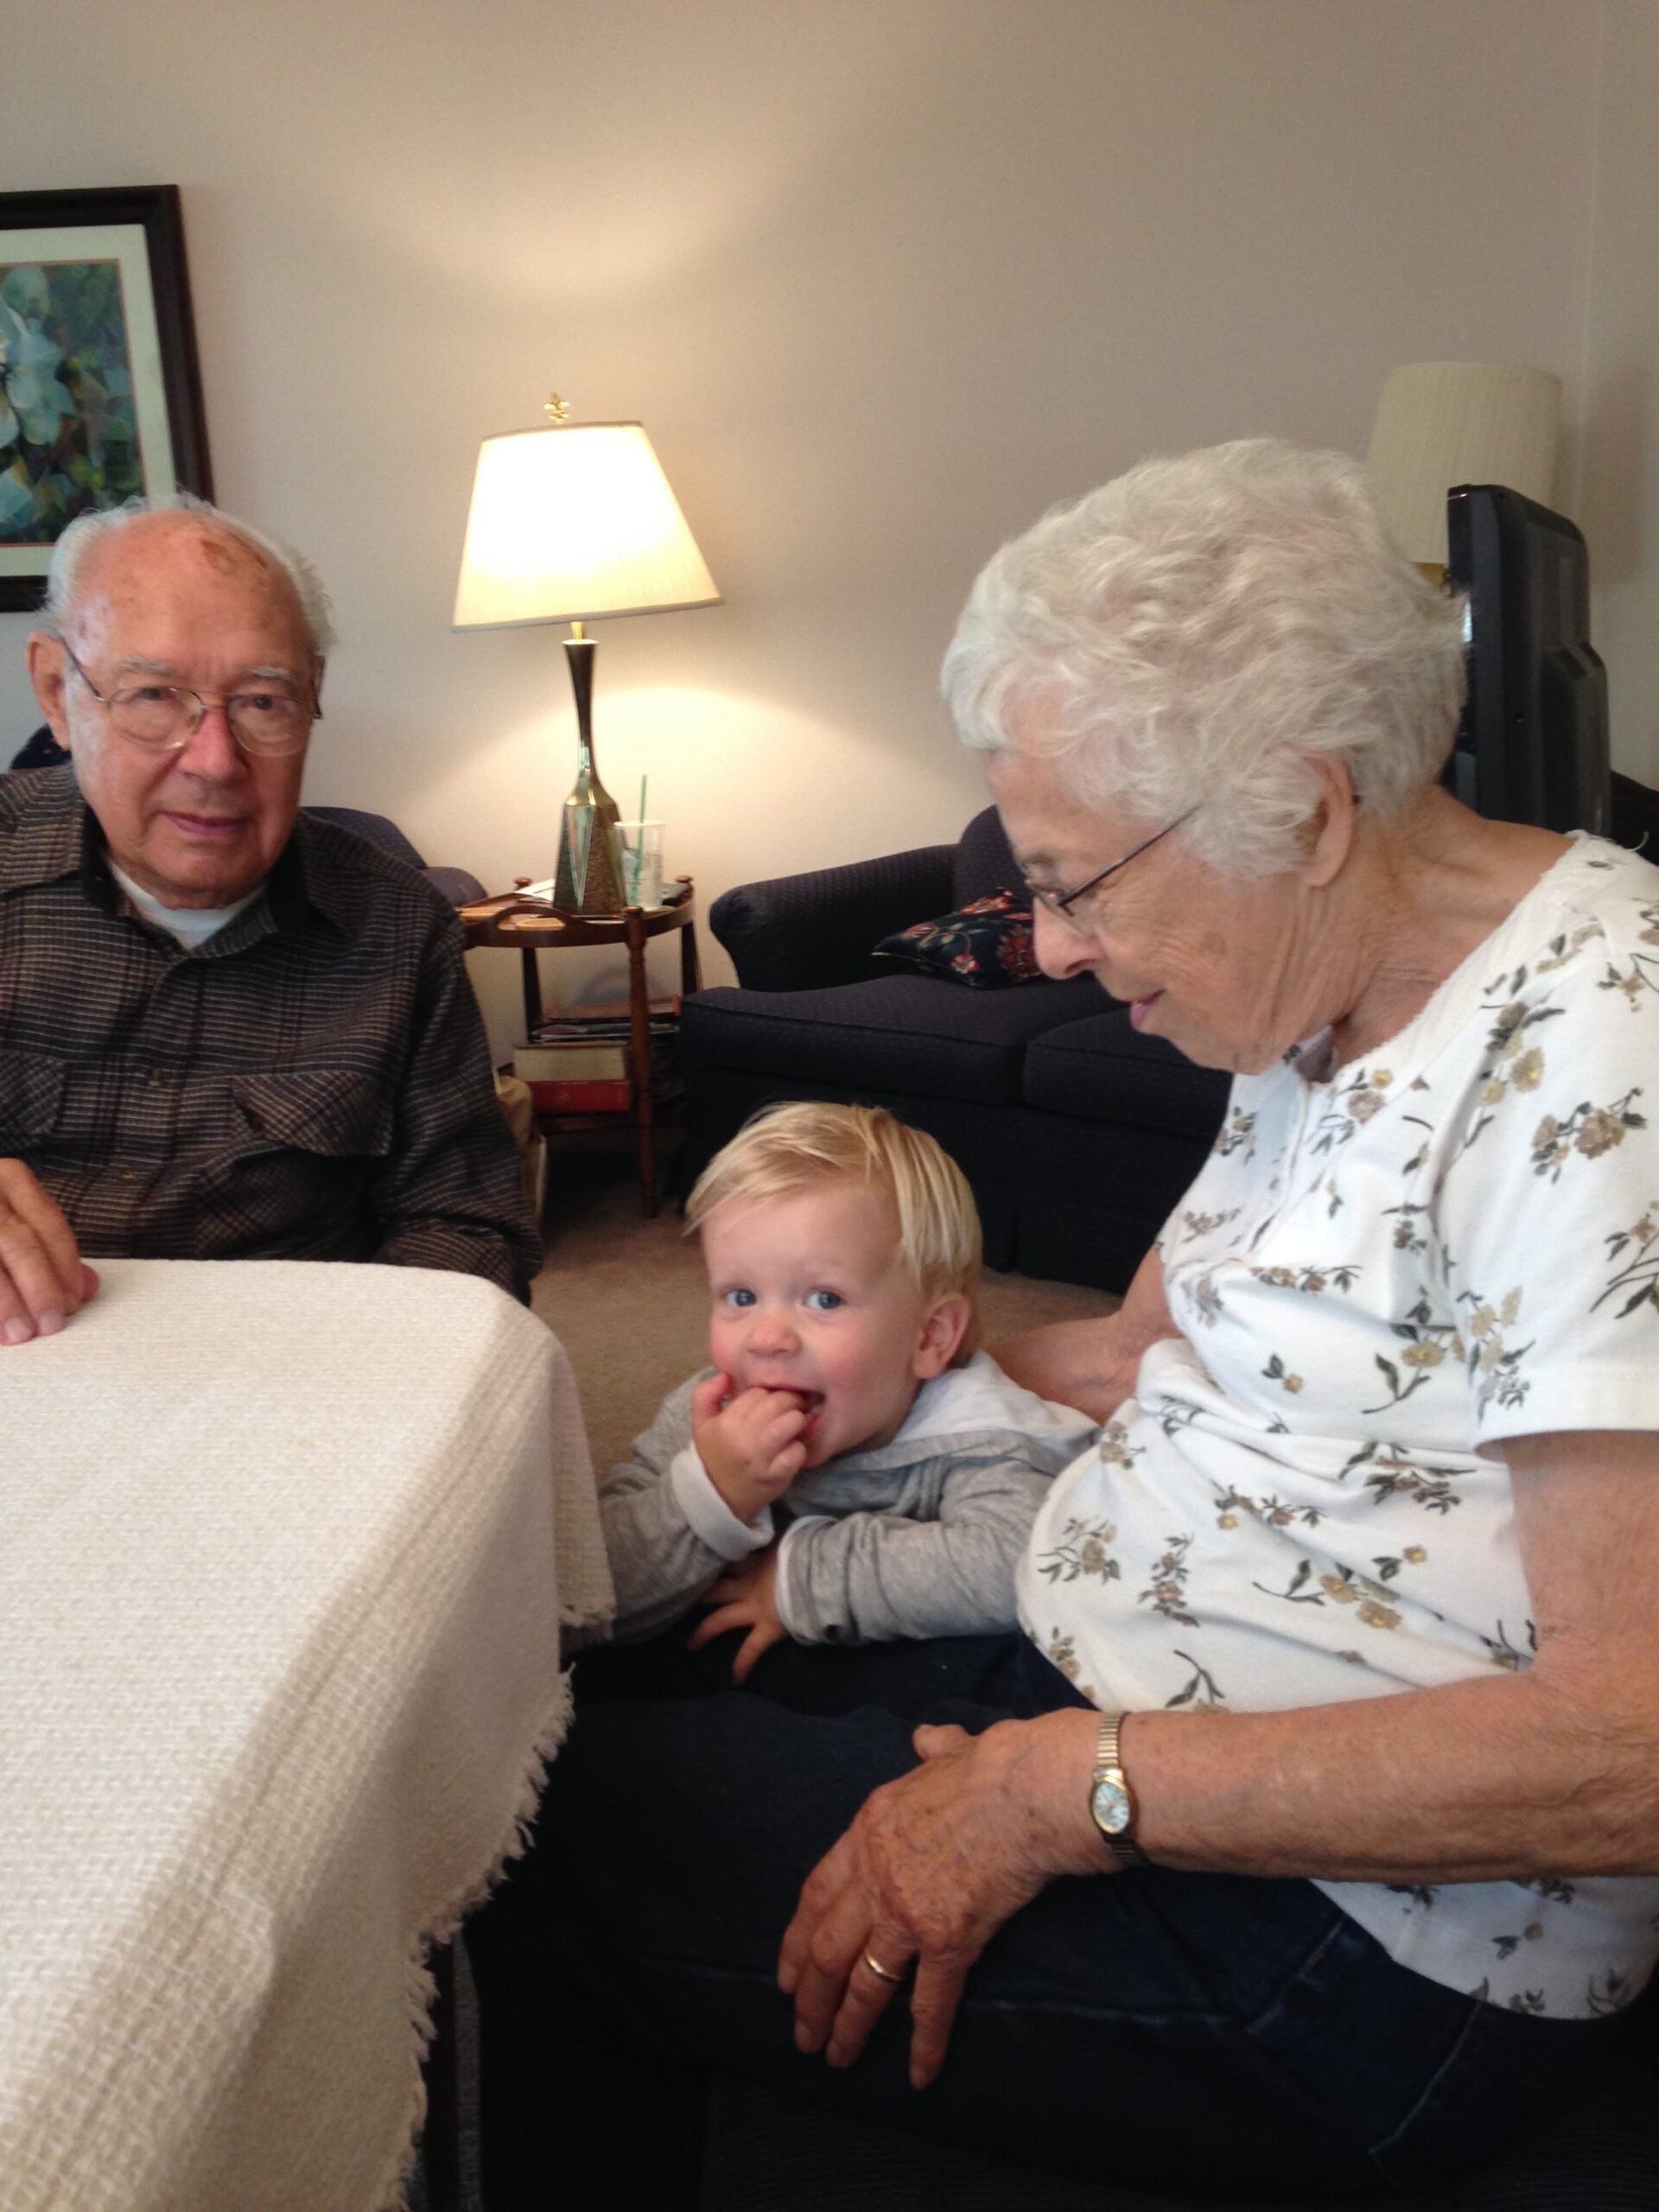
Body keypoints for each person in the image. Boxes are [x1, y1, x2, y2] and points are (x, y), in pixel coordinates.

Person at [468, 440, 1659, 2205]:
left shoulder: (1603, 1063)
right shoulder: (1316, 998)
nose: (1056, 944)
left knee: (502, 1845)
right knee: (536, 1689)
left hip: (1355, 1935)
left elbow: (1628, 1742)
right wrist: (839, 1390)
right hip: (1110, 1664)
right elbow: (1130, 1348)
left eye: (1079, 879)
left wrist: (1059, 1792)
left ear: (1308, 809)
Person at [0, 493, 539, 1341]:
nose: (216, 762)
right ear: (57, 693)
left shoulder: (401, 927)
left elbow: (470, 1227)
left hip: (289, 1371)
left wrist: (355, 1361)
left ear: (311, 696)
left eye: (261, 701)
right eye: (152, 694)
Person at [598, 1101, 1096, 1672]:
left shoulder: (978, 1434)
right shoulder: (709, 1411)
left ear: (929, 1336)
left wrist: (801, 1576)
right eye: (741, 1296)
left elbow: (1025, 1563)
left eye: (824, 1299)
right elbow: (589, 1589)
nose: (766, 1338)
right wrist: (709, 1494)